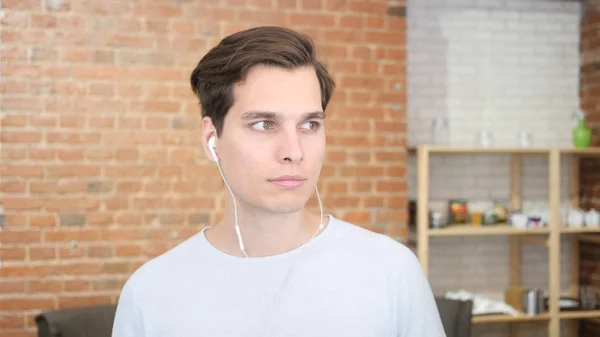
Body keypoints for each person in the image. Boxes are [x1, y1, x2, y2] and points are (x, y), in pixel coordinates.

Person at [111, 26, 446, 337]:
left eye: (310, 124)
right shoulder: (150, 294)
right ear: (212, 138)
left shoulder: (391, 271)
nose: (294, 152)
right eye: (264, 124)